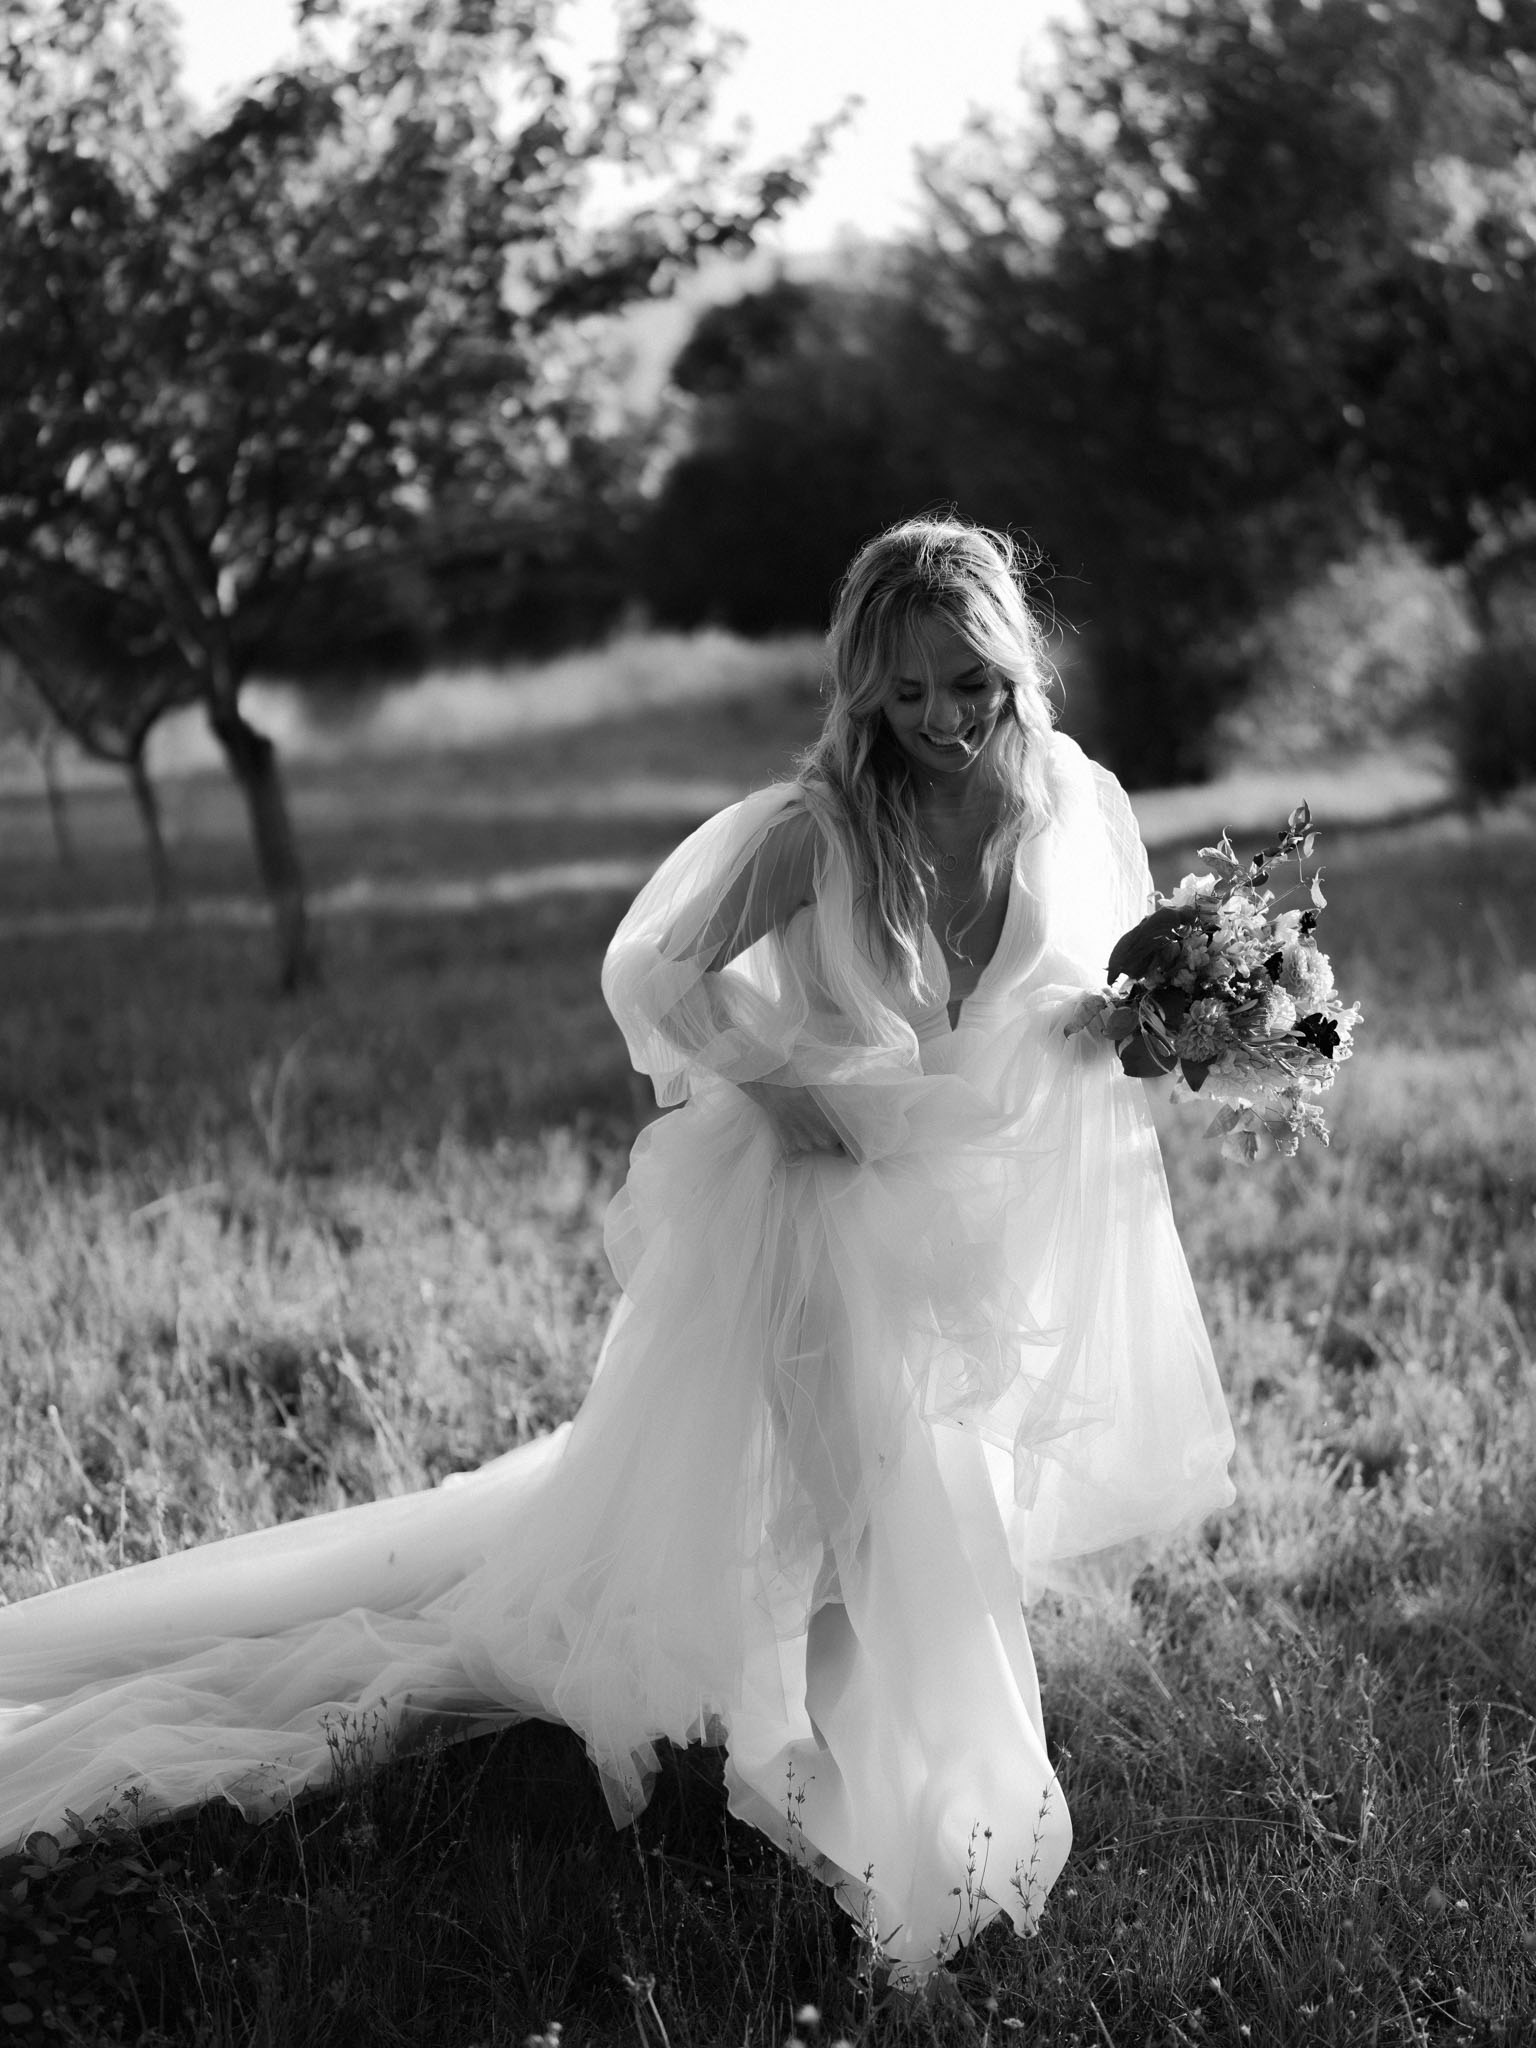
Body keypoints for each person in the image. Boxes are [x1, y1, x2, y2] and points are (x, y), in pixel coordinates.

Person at [0, 517, 1234, 1979]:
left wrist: (1162, 1030)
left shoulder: (1075, 801)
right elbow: (654, 972)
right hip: (820, 1224)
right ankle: (917, 1860)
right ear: (863, 695)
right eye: (904, 695)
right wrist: (784, 1085)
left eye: (965, 682)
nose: (941, 721)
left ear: (1011, 662)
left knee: (927, 1515)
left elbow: (1080, 1005)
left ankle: (894, 1814)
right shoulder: (819, 829)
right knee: (891, 1528)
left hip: (969, 1220)